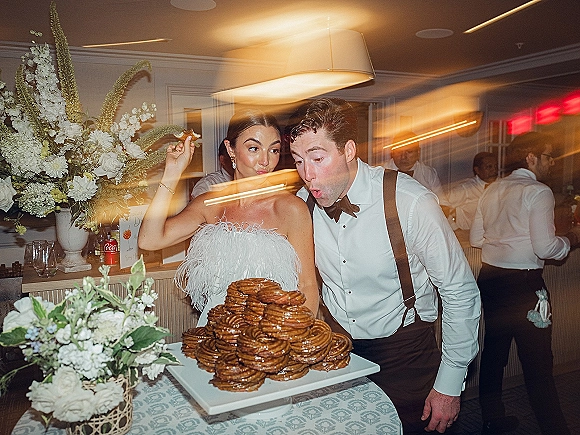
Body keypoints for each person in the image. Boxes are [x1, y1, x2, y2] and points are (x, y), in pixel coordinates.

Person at [289, 98, 481, 434]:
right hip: (339, 353)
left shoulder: (408, 200)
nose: (307, 174)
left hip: (406, 355)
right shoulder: (302, 207)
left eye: (318, 158)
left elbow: (459, 290)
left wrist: (450, 383)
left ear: (348, 150)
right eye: (298, 161)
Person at [138, 108, 319, 325]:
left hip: (272, 336)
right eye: (254, 148)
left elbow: (308, 285)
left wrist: (292, 337)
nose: (265, 161)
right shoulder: (210, 204)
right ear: (230, 150)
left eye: (274, 150)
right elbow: (149, 239)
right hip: (217, 333)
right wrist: (172, 173)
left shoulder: (291, 209)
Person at [470, 132, 580, 435]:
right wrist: (571, 238)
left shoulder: (491, 190)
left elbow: (476, 238)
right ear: (531, 158)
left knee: (494, 353)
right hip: (525, 286)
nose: (552, 161)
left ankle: (492, 418)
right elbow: (546, 249)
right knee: (538, 363)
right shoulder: (538, 191)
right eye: (548, 156)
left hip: (491, 280)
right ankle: (554, 428)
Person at [384, 130, 448, 207]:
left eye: (409, 152)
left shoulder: (428, 173)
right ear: (392, 152)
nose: (403, 157)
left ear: (418, 152)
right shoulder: (381, 173)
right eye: (399, 152)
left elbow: (443, 204)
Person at [447, 152, 498, 231]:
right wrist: (455, 229)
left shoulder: (502, 186)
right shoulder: (465, 188)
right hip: (468, 236)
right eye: (489, 167)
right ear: (477, 170)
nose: (494, 170)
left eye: (495, 166)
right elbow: (442, 207)